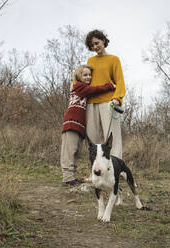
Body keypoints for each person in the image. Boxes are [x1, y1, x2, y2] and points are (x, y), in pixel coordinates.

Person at [60, 64, 115, 186]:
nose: (88, 77)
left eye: (90, 75)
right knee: (69, 151)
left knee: (76, 151)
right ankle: (67, 178)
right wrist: (109, 86)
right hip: (71, 124)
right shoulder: (77, 86)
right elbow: (93, 90)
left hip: (79, 126)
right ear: (79, 76)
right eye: (85, 75)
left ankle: (72, 177)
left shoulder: (84, 90)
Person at [85, 29, 126, 159]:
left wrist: (117, 98)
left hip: (109, 103)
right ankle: (96, 172)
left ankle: (115, 170)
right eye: (92, 45)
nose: (95, 47)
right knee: (92, 138)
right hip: (91, 103)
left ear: (103, 40)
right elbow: (85, 78)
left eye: (97, 43)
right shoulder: (90, 61)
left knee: (113, 137)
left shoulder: (114, 59)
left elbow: (119, 81)